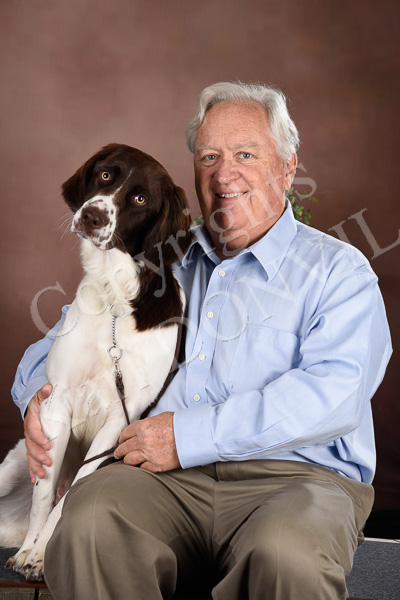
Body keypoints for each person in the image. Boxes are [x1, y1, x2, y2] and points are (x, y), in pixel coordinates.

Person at [12, 81, 392, 600]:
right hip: (157, 478)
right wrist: (39, 399)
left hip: (298, 479)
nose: (223, 173)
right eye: (209, 156)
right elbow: (57, 343)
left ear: (287, 168)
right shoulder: (159, 258)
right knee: (89, 526)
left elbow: (334, 396)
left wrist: (189, 436)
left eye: (245, 154)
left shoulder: (338, 271)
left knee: (287, 556)